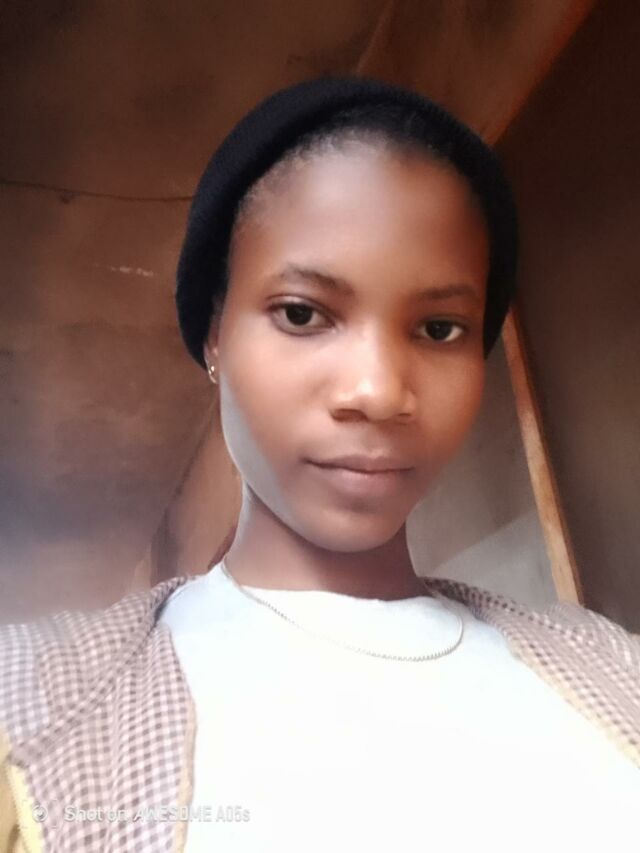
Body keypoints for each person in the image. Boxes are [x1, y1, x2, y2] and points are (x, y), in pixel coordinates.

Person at [1, 76, 639, 853]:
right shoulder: (34, 704)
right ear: (215, 334)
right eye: (303, 314)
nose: (378, 390)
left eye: (440, 328)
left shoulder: (615, 668)